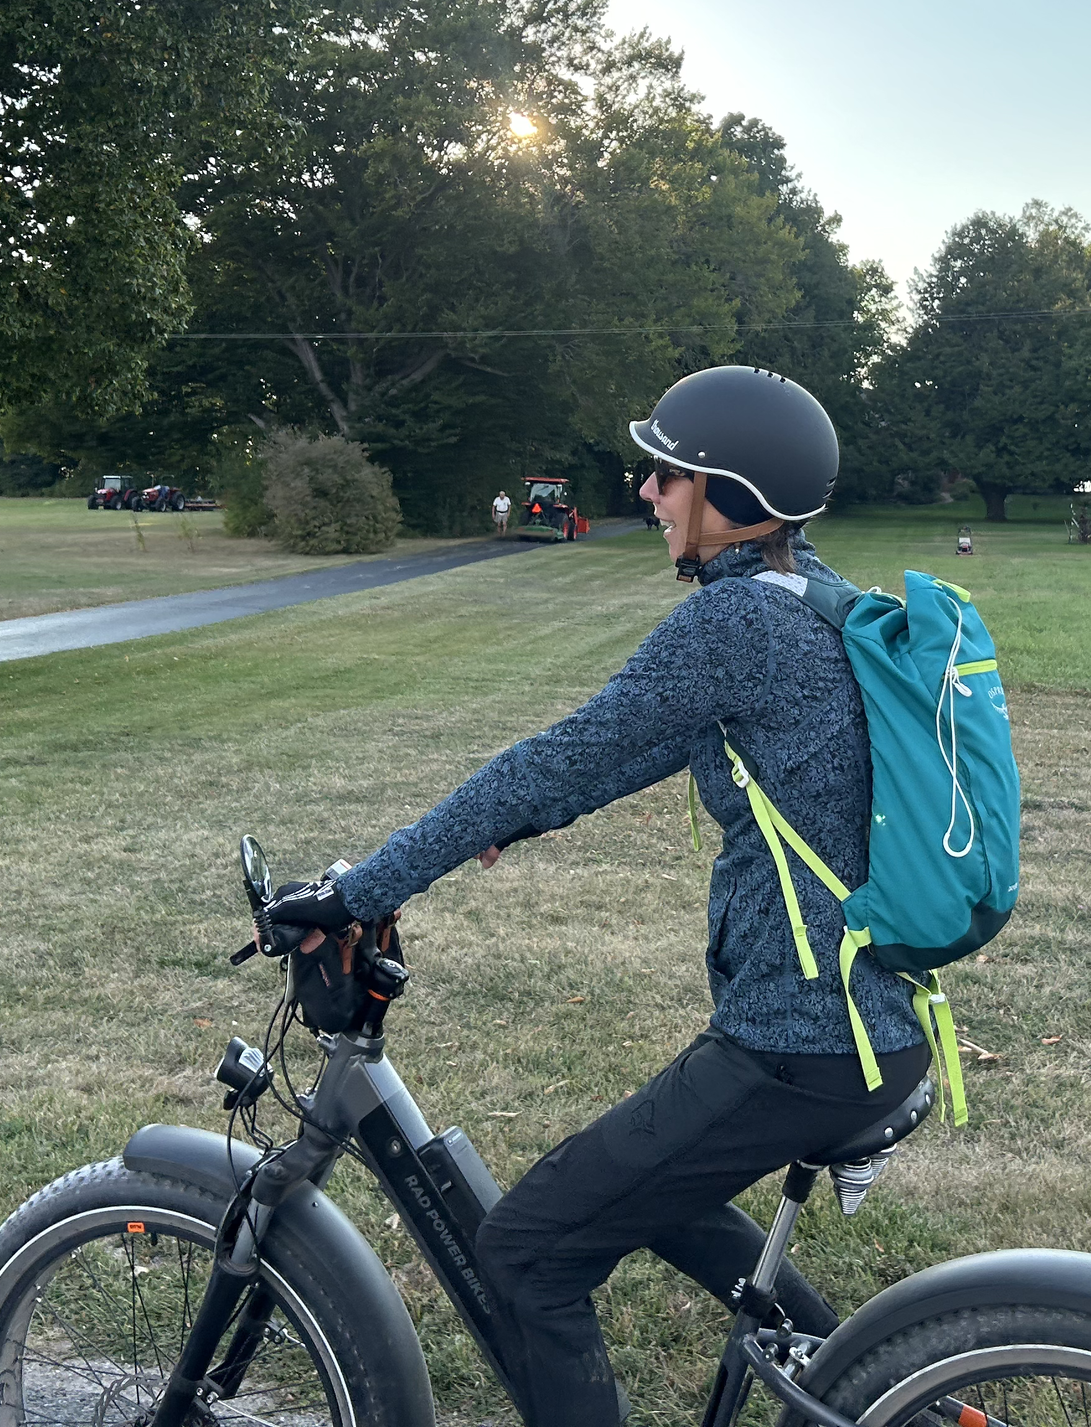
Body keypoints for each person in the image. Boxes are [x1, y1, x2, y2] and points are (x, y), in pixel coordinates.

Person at [261, 366, 925, 1427]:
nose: (649, 494)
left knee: (525, 1249)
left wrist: (361, 890)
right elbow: (624, 756)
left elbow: (556, 758)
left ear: (732, 500)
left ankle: (861, 1385)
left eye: (668, 474)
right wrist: (511, 824)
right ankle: (861, 1383)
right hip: (859, 1021)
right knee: (655, 1189)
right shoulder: (813, 600)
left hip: (798, 1040)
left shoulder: (735, 630)